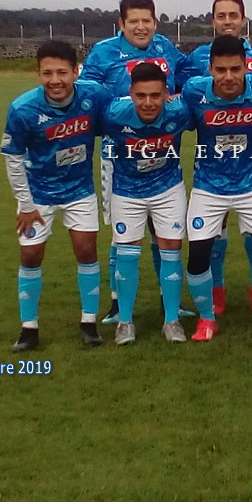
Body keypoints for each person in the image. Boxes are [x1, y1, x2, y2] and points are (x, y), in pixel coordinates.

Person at [78, 0, 189, 324]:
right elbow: (87, 96)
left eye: (147, 21)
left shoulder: (166, 48)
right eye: (134, 21)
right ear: (121, 23)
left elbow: (186, 81)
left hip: (162, 151)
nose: (141, 27)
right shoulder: (103, 53)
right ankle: (117, 303)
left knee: (163, 231)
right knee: (123, 234)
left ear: (155, 22)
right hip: (119, 154)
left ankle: (167, 299)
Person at [0, 40, 112, 351]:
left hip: (79, 190)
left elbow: (119, 113)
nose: (55, 80)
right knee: (30, 255)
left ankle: (89, 323)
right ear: (38, 74)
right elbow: (13, 158)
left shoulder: (94, 96)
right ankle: (29, 328)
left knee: (86, 250)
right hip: (38, 194)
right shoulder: (23, 108)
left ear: (76, 72)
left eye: (62, 72)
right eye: (47, 73)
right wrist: (25, 205)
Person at [176, 0, 252, 317]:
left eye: (232, 15)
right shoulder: (195, 70)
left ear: (243, 19)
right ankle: (215, 293)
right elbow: (178, 104)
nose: (227, 21)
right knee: (209, 240)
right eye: (221, 15)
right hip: (210, 175)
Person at [101, 62, 194, 344]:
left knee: (171, 249)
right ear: (130, 93)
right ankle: (125, 322)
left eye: (155, 95)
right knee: (127, 253)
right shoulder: (113, 114)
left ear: (167, 93)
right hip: (127, 191)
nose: (148, 102)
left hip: (168, 188)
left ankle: (172, 321)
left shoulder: (180, 112)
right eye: (141, 96)